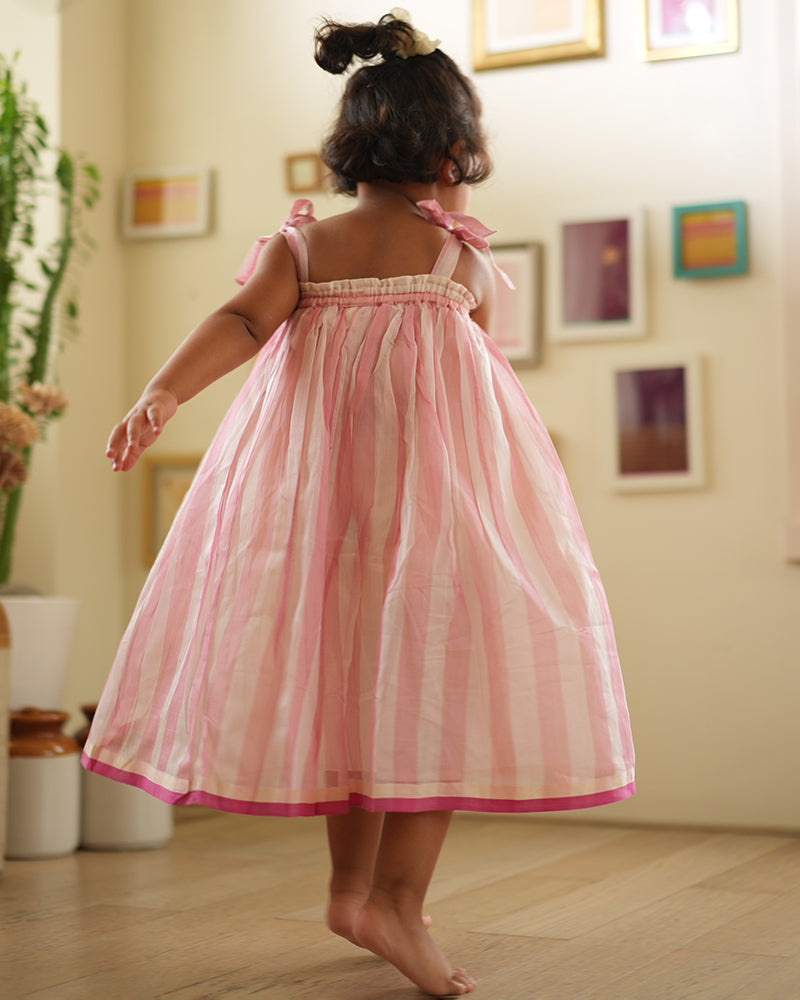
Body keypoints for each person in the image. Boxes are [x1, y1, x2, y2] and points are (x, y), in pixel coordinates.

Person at [84, 9, 635, 997]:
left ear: (351, 146)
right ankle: (393, 900)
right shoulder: (457, 260)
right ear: (454, 153)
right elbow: (487, 389)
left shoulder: (306, 244)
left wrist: (162, 391)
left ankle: (351, 890)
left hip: (318, 519)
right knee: (428, 696)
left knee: (351, 690)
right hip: (432, 519)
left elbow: (239, 322)